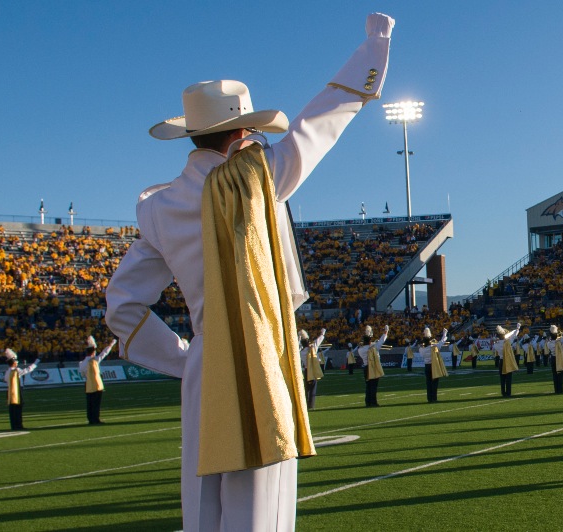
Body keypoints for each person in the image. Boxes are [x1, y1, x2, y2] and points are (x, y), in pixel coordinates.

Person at [104, 14, 393, 531]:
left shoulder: (159, 206)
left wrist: (188, 359)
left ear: (193, 136)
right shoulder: (261, 177)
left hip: (205, 365)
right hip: (263, 356)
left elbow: (122, 308)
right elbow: (320, 124)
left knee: (204, 503)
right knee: (262, 505)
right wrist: (374, 48)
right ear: (242, 132)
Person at [80, 335, 117, 425]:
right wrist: (111, 344)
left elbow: (82, 374)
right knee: (96, 403)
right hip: (96, 385)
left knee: (89, 403)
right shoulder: (95, 360)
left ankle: (90, 419)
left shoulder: (82, 363)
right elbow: (104, 353)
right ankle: (95, 419)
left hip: (87, 384)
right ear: (93, 351)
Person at [3, 349, 40, 431]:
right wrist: (35, 363)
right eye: (15, 361)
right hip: (17, 391)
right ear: (13, 362)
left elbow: (5, 380)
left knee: (12, 410)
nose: (17, 362)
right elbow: (27, 370)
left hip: (10, 391)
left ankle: (14, 425)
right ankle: (18, 425)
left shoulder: (8, 371)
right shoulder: (16, 370)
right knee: (17, 409)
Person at [358, 325, 388, 407]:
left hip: (366, 368)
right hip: (373, 368)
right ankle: (373, 402)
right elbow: (382, 340)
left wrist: (372, 343)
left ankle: (368, 402)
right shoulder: (374, 347)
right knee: (374, 386)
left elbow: (367, 347)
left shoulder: (360, 349)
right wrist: (386, 331)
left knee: (368, 386)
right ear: (370, 340)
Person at [301, 329, 327, 410]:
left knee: (307, 388)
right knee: (313, 388)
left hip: (306, 370)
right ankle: (311, 405)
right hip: (313, 370)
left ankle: (306, 403)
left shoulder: (301, 351)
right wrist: (322, 333)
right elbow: (318, 340)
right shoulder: (313, 348)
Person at [422, 327, 449, 403]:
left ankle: (429, 398)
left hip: (427, 365)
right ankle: (434, 398)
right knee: (434, 383)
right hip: (434, 365)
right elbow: (441, 342)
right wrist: (444, 334)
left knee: (428, 382)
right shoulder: (433, 346)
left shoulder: (422, 347)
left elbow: (422, 354)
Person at [494, 324, 521, 397]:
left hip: (501, 361)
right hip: (507, 361)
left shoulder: (495, 344)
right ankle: (508, 393)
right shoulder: (507, 342)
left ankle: (503, 393)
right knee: (508, 378)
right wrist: (518, 328)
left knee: (502, 379)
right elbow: (514, 335)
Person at [549, 323, 563, 394]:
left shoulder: (548, 343)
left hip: (553, 358)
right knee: (560, 375)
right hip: (559, 358)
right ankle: (560, 389)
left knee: (554, 375)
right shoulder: (559, 341)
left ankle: (556, 390)